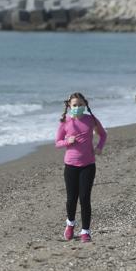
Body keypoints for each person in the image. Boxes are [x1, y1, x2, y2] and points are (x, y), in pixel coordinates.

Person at [55, 92, 107, 243]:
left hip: (88, 165)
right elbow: (57, 142)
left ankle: (85, 231)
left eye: (80, 105)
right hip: (70, 165)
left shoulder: (91, 120)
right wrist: (67, 141)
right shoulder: (65, 121)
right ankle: (70, 224)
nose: (77, 107)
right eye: (74, 105)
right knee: (72, 198)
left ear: (85, 105)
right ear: (69, 106)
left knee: (85, 198)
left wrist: (99, 147)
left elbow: (103, 135)